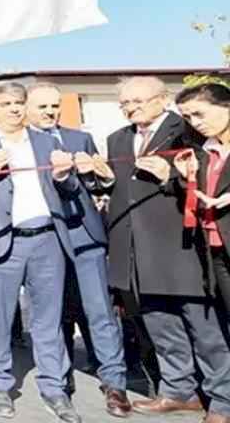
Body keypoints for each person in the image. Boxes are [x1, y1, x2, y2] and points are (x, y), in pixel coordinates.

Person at [103, 76, 230, 420]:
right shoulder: (117, 138)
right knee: (162, 326)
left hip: (181, 246)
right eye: (125, 103)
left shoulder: (189, 129)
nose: (131, 108)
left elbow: (205, 180)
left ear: (163, 99)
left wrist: (168, 176)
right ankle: (178, 391)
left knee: (205, 329)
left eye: (138, 101)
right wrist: (102, 176)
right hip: (135, 249)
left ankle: (222, 399)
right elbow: (120, 190)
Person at [0, 82, 82, 423]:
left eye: (18, 103)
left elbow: (71, 189)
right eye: (6, 103)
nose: (14, 109)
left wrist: (64, 175)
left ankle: (54, 387)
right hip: (1, 240)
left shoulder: (46, 141)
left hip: (48, 240)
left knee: (49, 320)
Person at [25, 82, 131, 416]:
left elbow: (97, 186)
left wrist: (100, 176)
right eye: (42, 106)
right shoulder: (20, 144)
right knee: (53, 314)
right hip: (47, 238)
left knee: (100, 311)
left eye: (55, 106)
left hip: (85, 236)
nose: (50, 112)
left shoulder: (79, 138)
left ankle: (114, 382)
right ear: (27, 108)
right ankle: (59, 380)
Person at [175, 82, 230, 318]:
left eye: (200, 114)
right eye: (188, 117)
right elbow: (198, 197)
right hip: (216, 248)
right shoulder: (203, 151)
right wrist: (186, 177)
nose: (195, 122)